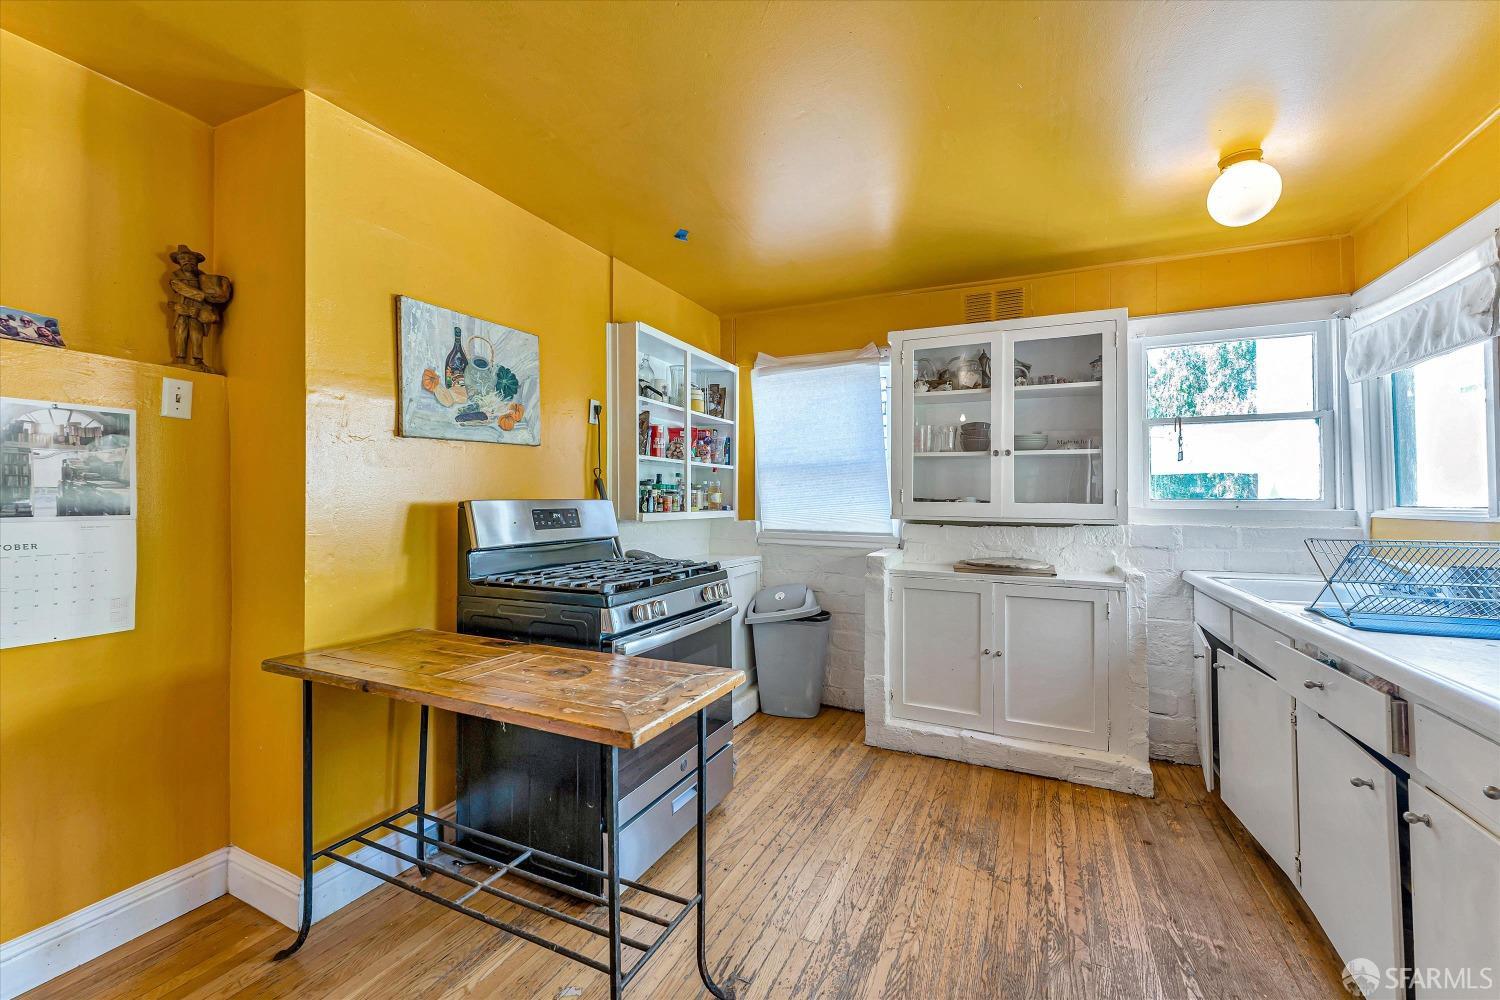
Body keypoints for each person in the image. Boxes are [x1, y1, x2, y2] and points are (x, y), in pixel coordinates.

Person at [169, 245, 232, 370]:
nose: (188, 261)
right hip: (182, 308)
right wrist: (203, 295)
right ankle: (180, 359)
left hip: (198, 310)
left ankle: (197, 360)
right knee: (181, 333)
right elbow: (181, 288)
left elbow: (211, 289)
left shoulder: (202, 277)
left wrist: (215, 296)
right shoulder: (175, 275)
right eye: (183, 259)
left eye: (191, 259)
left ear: (196, 262)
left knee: (196, 333)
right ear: (179, 261)